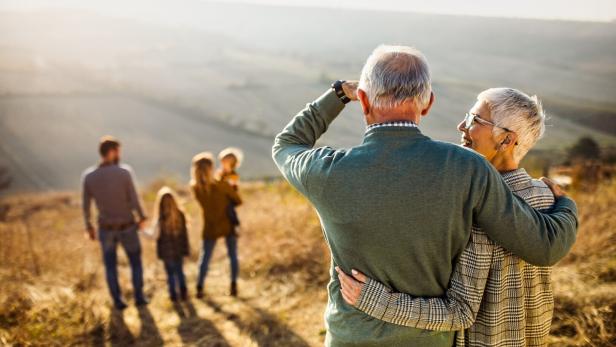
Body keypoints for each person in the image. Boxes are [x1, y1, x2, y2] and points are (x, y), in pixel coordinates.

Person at [272, 45, 578, 346]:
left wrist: (339, 94)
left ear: (363, 101)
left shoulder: (326, 170)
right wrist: (564, 204)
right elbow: (544, 247)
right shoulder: (467, 168)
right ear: (428, 103)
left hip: (350, 338)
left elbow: (287, 144)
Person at [337, 88, 562, 346]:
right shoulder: (547, 195)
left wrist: (376, 301)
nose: (461, 126)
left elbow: (460, 312)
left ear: (506, 140)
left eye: (474, 120)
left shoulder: (475, 207)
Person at [82, 136, 148, 310]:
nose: (119, 154)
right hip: (127, 226)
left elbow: (86, 205)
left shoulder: (89, 177)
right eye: (118, 151)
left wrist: (89, 226)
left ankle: (118, 301)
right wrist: (142, 217)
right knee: (135, 262)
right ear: (112, 152)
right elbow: (134, 199)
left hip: (105, 228)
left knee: (110, 266)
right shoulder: (124, 172)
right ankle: (139, 297)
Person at [191, 152, 242, 298]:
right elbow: (238, 200)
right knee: (232, 255)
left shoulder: (195, 188)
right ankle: (233, 286)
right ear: (211, 168)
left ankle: (199, 287)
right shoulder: (222, 185)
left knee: (205, 258)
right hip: (227, 223)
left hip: (210, 226)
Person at [151, 186, 190, 302]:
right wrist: (186, 250)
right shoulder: (181, 215)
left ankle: (173, 296)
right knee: (180, 272)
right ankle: (183, 293)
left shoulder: (160, 219)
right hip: (179, 250)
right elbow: (185, 236)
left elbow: (155, 235)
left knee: (170, 274)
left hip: (166, 252)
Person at [216, 147, 243, 232]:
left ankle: (236, 224)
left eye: (225, 162)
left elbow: (232, 185)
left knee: (230, 209)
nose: (223, 164)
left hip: (230, 197)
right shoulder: (220, 172)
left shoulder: (233, 174)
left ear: (232, 163)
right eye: (222, 162)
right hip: (221, 196)